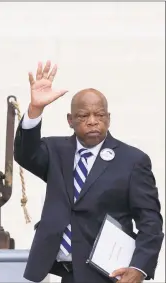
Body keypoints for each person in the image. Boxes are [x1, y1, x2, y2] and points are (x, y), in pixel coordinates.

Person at [14, 61, 164, 283]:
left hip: (108, 274)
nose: (93, 122)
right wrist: (36, 110)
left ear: (108, 118)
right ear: (70, 120)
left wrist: (138, 268)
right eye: (83, 116)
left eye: (100, 115)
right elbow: (26, 154)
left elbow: (150, 221)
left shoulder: (132, 161)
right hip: (62, 272)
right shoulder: (56, 151)